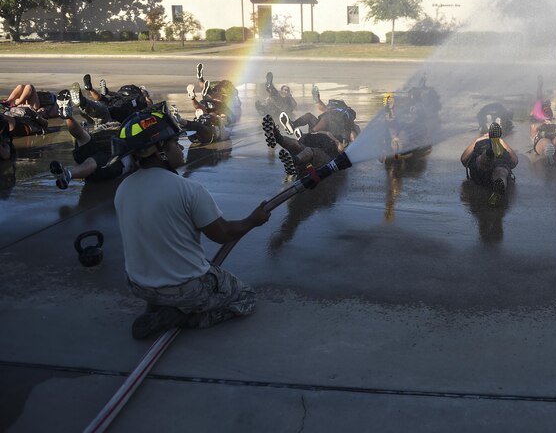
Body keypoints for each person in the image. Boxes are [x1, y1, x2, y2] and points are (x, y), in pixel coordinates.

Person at [114, 106, 271, 340]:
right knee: (246, 298)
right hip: (183, 289)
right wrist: (253, 220)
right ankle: (183, 317)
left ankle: (160, 306)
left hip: (139, 285)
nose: (181, 147)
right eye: (175, 143)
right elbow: (223, 234)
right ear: (160, 152)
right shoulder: (188, 190)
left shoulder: (123, 189)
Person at [48, 92, 136, 189]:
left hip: (112, 156)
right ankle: (68, 116)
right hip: (105, 145)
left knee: (84, 140)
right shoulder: (125, 126)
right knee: (83, 137)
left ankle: (68, 174)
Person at [261, 113, 341, 177]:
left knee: (308, 151)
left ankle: (294, 162)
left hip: (321, 159)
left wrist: (335, 140)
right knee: (297, 144)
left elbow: (342, 150)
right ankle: (277, 137)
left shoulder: (337, 139)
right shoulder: (324, 131)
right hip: (309, 146)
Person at [281, 84, 359, 148]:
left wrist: (346, 143)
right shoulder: (332, 111)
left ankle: (307, 136)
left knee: (324, 119)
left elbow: (353, 135)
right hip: (323, 133)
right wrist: (317, 99)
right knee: (309, 116)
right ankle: (292, 126)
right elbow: (322, 107)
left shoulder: (346, 117)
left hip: (332, 139)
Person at [461, 122, 519, 207]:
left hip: (480, 170)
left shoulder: (479, 142)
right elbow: (515, 161)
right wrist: (501, 141)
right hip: (498, 158)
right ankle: (499, 188)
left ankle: (489, 153)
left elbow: (463, 159)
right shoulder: (499, 144)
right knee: (501, 172)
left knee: (483, 162)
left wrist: (477, 140)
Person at [70, 79, 152, 127]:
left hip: (114, 112)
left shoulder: (140, 100)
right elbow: (115, 94)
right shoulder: (129, 96)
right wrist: (107, 91)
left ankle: (83, 102)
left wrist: (146, 97)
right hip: (112, 107)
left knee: (100, 108)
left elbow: (150, 105)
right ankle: (84, 100)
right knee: (100, 104)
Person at [529, 75, 556, 166]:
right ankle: (551, 152)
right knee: (546, 143)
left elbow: (551, 121)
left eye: (548, 106)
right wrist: (542, 123)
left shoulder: (548, 112)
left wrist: (554, 125)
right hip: (541, 138)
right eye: (546, 105)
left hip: (552, 133)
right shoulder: (538, 112)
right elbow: (533, 128)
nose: (547, 107)